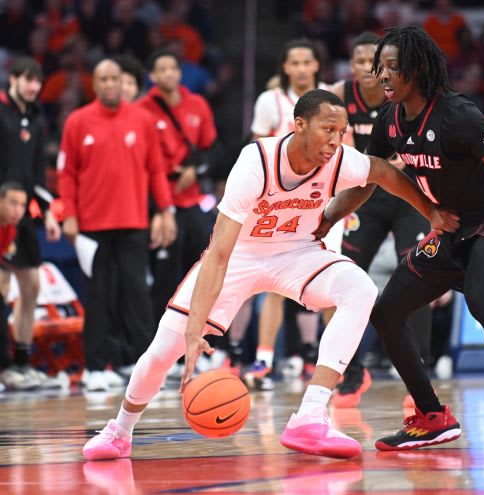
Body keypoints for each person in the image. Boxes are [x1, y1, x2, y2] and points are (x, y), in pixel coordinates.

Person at [81, 89, 451, 461]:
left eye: (341, 131)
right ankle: (120, 431)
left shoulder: (339, 160)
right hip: (239, 256)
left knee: (360, 289)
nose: (336, 140)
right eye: (328, 129)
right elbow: (220, 253)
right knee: (164, 351)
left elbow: (384, 172)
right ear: (299, 125)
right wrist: (196, 327)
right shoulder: (256, 160)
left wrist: (431, 212)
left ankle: (310, 415)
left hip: (295, 253)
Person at [317, 26, 484, 455]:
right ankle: (431, 417)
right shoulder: (390, 119)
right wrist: (327, 217)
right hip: (449, 226)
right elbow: (371, 178)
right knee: (387, 313)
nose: (382, 76)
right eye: (379, 68)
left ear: (417, 69)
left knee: (481, 300)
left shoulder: (457, 115)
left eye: (392, 68)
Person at [58, 59, 176, 392]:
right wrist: (69, 213)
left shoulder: (141, 120)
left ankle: (137, 364)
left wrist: (166, 210)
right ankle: (96, 366)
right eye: (104, 79)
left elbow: (156, 169)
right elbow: (66, 173)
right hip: (92, 226)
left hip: (133, 221)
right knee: (98, 295)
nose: (110, 84)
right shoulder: (77, 121)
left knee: (136, 293)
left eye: (115, 78)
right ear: (94, 84)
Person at [329, 31, 432, 408]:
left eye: (374, 62)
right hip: (366, 196)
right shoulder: (340, 95)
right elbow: (345, 153)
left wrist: (390, 163)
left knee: (419, 272)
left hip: (406, 195)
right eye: (359, 61)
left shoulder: (403, 94)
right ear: (352, 66)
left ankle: (419, 374)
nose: (367, 69)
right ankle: (351, 373)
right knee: (343, 276)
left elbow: (416, 146)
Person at [243, 38, 330, 389]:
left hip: (322, 198)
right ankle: (263, 359)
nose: (300, 69)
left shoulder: (330, 96)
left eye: (306, 62)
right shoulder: (270, 100)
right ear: (285, 67)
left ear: (316, 66)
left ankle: (324, 360)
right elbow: (255, 149)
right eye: (293, 63)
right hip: (280, 202)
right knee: (275, 285)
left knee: (328, 282)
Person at [137, 49, 217, 353]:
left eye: (174, 67)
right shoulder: (143, 109)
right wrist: (157, 208)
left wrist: (196, 170)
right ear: (153, 76)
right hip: (160, 202)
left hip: (193, 200)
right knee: (164, 280)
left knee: (202, 275)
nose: (169, 73)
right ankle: (159, 350)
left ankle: (202, 345)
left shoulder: (197, 104)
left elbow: (214, 150)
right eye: (162, 69)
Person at [0, 57, 62, 390]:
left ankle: (22, 364)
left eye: (37, 80)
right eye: (27, 79)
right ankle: (5, 366)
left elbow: (37, 175)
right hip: (1, 211)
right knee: (2, 288)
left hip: (23, 212)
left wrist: (49, 211)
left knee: (32, 286)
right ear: (13, 79)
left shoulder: (37, 119)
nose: (33, 86)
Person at [0, 183, 29, 391]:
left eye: (22, 205)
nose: (18, 210)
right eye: (13, 203)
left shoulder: (10, 230)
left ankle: (7, 368)